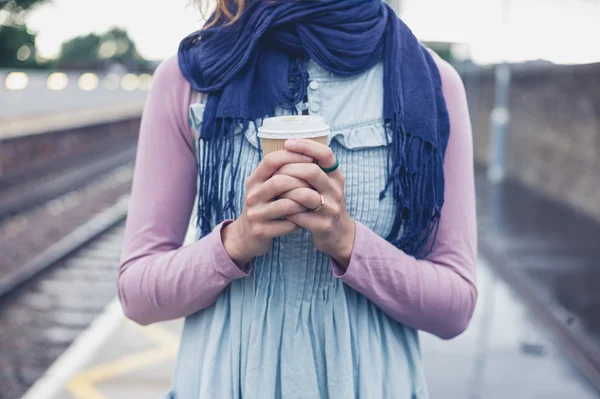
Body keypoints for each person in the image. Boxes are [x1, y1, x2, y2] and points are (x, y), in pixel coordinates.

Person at [117, 0, 477, 397]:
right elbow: (137, 295)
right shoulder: (189, 77)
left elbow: (455, 307)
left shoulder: (432, 82)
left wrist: (349, 243)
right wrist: (235, 243)